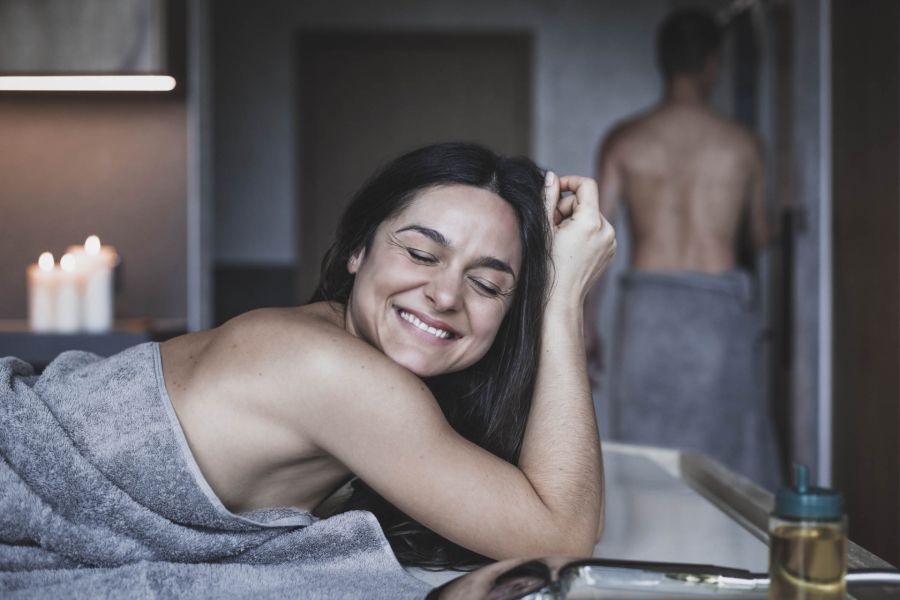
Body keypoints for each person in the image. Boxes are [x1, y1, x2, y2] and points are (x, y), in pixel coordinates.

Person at [161, 142, 616, 567]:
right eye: (421, 253)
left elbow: (573, 515)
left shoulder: (332, 342)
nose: (445, 296)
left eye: (485, 284)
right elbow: (564, 537)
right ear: (358, 250)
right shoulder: (333, 371)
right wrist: (563, 300)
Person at [586, 9, 780, 489]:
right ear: (713, 63)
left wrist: (585, 322)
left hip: (648, 309)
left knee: (650, 454)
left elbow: (595, 237)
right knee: (728, 456)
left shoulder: (625, 140)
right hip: (718, 310)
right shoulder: (743, 145)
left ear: (663, 62)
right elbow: (759, 234)